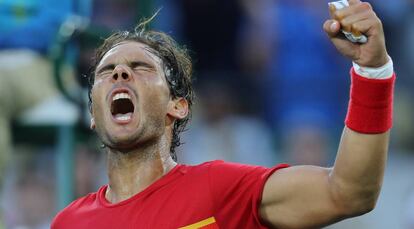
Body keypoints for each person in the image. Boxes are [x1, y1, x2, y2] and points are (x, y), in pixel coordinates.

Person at [51, 0, 396, 228]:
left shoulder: (221, 189)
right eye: (106, 72)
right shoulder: (68, 222)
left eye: (140, 68)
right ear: (93, 112)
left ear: (178, 105)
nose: (120, 75)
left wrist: (374, 72)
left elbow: (349, 192)